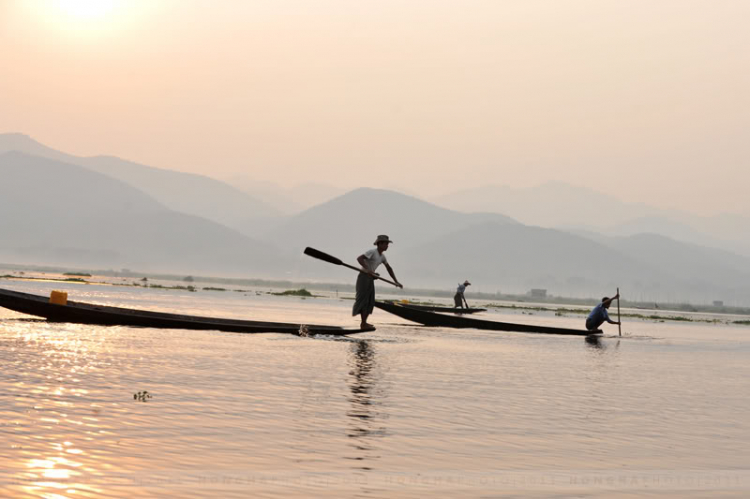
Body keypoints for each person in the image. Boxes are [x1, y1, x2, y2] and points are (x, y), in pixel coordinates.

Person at [353, 235, 403, 330]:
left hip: (370, 278)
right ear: (379, 244)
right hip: (363, 277)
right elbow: (359, 258)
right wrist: (368, 269)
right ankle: (363, 323)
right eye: (385, 244)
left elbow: (389, 268)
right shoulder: (372, 252)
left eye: (388, 244)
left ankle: (364, 323)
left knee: (370, 301)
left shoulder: (382, 257)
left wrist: (396, 281)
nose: (387, 246)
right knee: (364, 300)